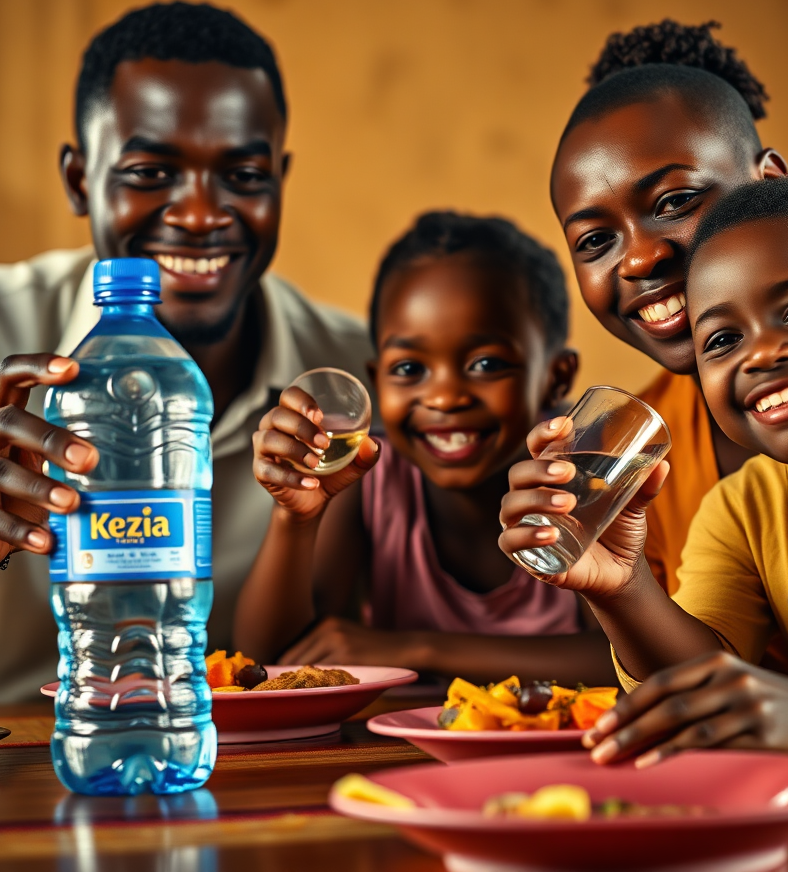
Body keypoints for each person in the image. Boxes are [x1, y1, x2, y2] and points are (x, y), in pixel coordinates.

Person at [0, 1, 372, 703]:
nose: (198, 214)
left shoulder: (356, 369)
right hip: (8, 770)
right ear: (78, 180)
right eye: (150, 173)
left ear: (280, 180)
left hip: (241, 770)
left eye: (243, 175)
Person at [500, 175, 788, 793]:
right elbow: (705, 690)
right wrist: (622, 586)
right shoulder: (740, 509)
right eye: (723, 340)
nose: (759, 355)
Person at [534, 19, 788, 605]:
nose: (643, 258)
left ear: (767, 180)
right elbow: (704, 665)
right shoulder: (648, 470)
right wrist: (616, 584)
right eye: (596, 241)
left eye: (675, 202)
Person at [236, 212, 615, 685]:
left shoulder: (580, 476)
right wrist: (294, 517)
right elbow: (270, 663)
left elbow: (626, 662)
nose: (444, 397)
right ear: (376, 380)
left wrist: (417, 647)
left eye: (485, 363)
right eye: (410, 369)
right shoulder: (371, 475)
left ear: (555, 377)